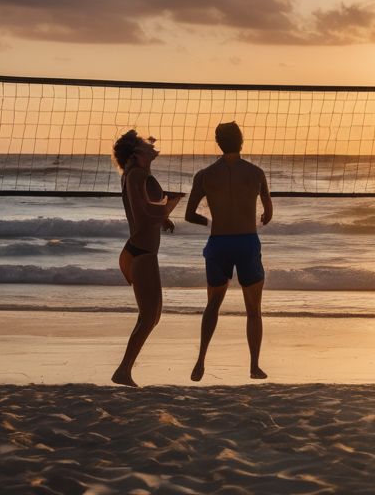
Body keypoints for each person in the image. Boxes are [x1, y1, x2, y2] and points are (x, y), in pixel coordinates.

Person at [184, 122, 273, 381]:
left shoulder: (205, 175)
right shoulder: (256, 173)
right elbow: (268, 212)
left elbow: (189, 215)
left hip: (219, 243)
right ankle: (254, 366)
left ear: (218, 143)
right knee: (253, 309)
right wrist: (262, 215)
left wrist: (210, 222)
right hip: (246, 242)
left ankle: (200, 360)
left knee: (212, 305)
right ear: (242, 141)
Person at [111, 130, 182, 387]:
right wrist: (167, 208)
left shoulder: (138, 175)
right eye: (144, 142)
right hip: (141, 252)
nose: (151, 143)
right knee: (149, 315)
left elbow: (143, 208)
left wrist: (163, 216)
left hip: (140, 251)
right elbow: (142, 213)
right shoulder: (137, 175)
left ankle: (124, 370)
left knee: (152, 316)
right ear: (136, 152)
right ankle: (123, 370)